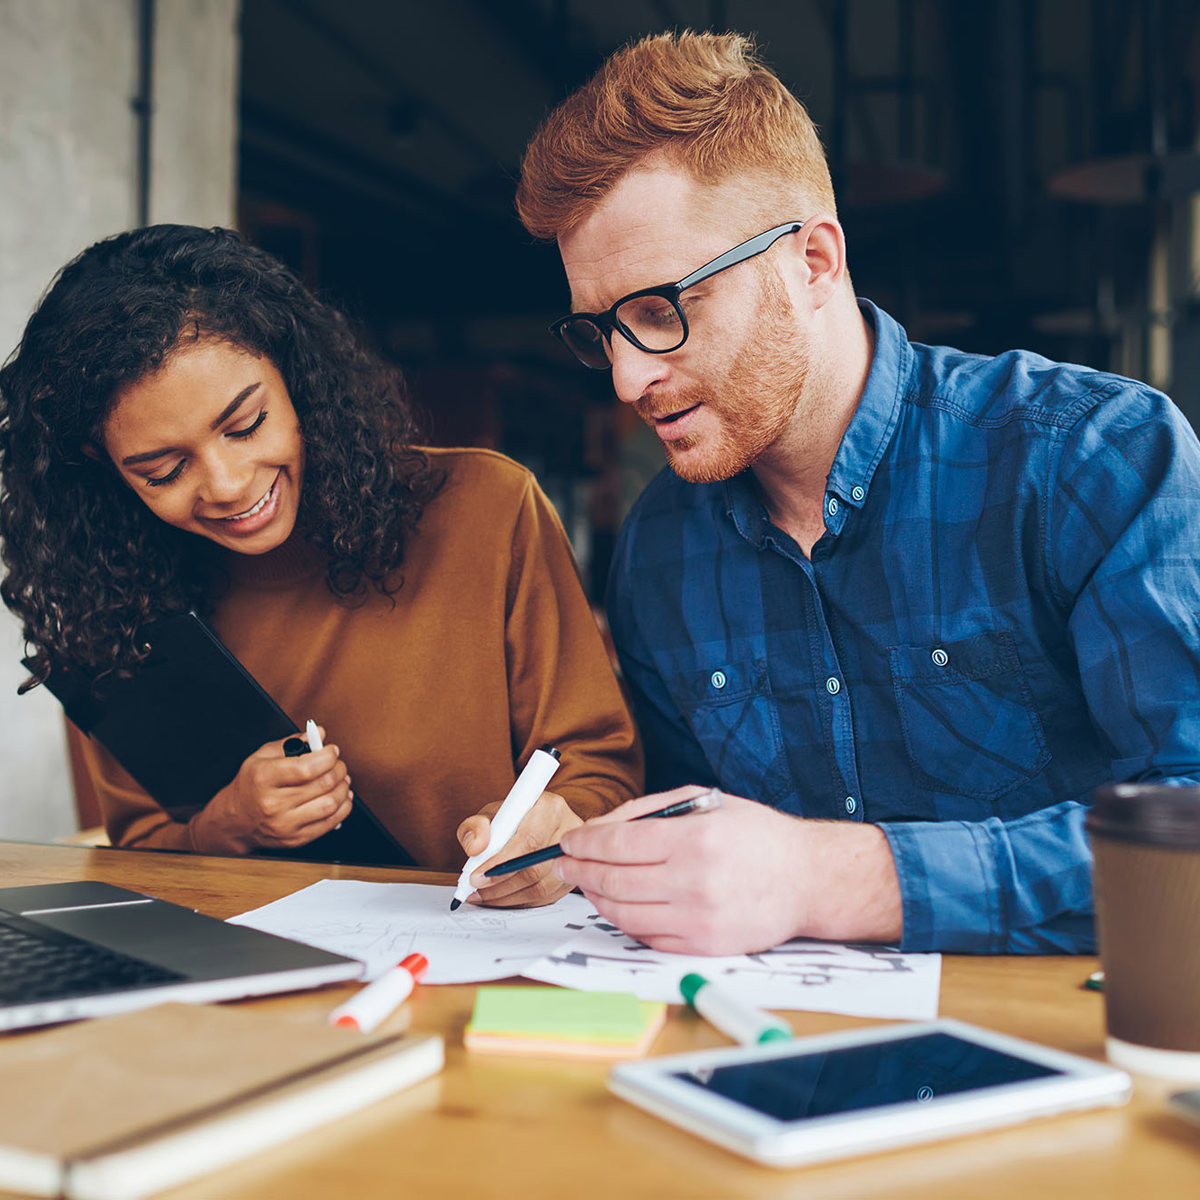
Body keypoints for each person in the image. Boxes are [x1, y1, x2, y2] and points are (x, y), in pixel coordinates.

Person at [513, 31, 1200, 953]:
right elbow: (692, 827)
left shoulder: (1093, 455)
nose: (628, 380)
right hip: (762, 1065)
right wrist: (584, 844)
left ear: (813, 262)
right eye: (603, 332)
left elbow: (1186, 827)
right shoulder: (661, 547)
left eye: (659, 313)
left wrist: (830, 881)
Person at [0, 224, 642, 907]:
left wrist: (554, 837)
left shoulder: (486, 512)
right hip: (249, 983)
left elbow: (598, 767)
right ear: (106, 468)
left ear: (293, 374)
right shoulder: (115, 603)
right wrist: (230, 824)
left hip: (481, 965)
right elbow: (141, 856)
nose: (227, 484)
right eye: (163, 470)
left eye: (245, 425)